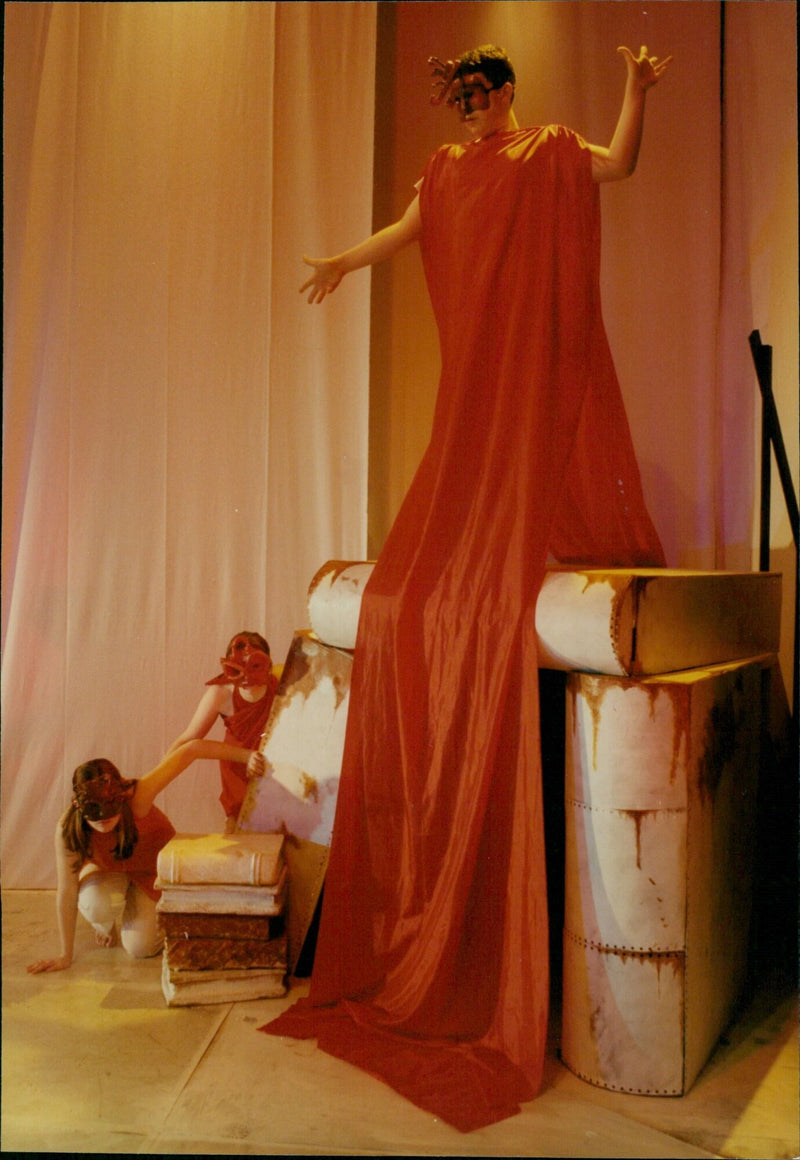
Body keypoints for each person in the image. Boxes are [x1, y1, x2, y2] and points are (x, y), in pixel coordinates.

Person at [264, 45, 671, 1131]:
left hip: (529, 365)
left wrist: (633, 86)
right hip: (475, 384)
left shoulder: (544, 154)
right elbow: (403, 235)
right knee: (418, 588)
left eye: (487, 93)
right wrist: (345, 262)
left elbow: (620, 165)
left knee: (500, 553)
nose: (479, 108)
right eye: (467, 98)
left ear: (508, 94)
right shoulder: (447, 172)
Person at [27, 739, 267, 974]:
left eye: (110, 812)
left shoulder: (138, 797)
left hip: (151, 870)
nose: (103, 820)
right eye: (95, 817)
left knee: (140, 947)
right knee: (96, 905)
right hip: (108, 871)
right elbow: (67, 891)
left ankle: (138, 909)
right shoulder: (68, 829)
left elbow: (191, 751)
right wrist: (65, 955)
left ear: (121, 795)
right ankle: (106, 922)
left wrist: (246, 756)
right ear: (78, 807)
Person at [166, 631, 279, 832]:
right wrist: (154, 779)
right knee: (238, 836)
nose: (247, 678)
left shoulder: (280, 688)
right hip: (237, 772)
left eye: (255, 667)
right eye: (239, 670)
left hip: (273, 773)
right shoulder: (221, 693)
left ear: (267, 667)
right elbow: (189, 739)